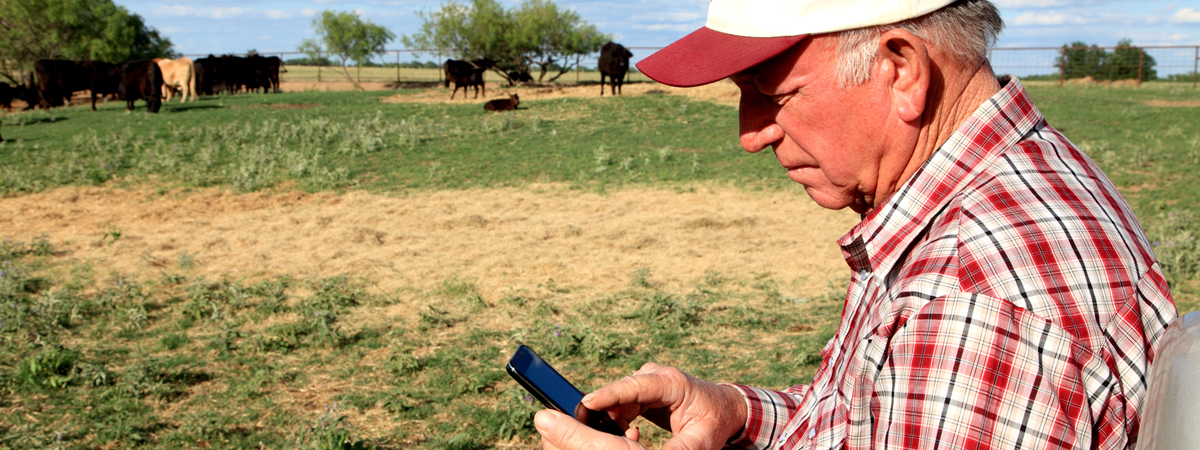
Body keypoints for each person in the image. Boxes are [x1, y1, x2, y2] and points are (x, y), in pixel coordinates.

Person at [533, 0, 1179, 449]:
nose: (750, 134)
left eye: (773, 93)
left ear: (901, 69)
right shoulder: (980, 189)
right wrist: (739, 414)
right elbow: (867, 423)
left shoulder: (972, 301)